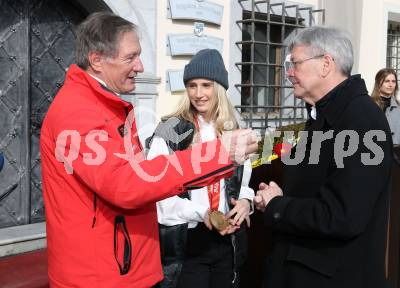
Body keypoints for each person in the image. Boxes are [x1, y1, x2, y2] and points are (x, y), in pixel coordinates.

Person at [40, 13, 257, 288]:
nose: (141, 66)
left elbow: (243, 176)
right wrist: (215, 157)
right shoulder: (79, 111)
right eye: (130, 57)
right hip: (108, 273)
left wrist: (246, 198)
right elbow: (128, 184)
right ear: (96, 60)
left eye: (207, 86)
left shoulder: (106, 105)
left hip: (131, 264)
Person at [253, 26, 393, 288]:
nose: (289, 74)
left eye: (294, 63)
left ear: (326, 64)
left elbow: (342, 214)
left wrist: (278, 206)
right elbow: (319, 185)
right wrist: (280, 194)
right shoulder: (324, 114)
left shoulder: (361, 122)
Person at [146, 49, 254, 288]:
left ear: (219, 88)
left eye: (206, 85)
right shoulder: (171, 130)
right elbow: (159, 197)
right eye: (192, 85)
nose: (198, 93)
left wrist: (246, 202)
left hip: (228, 240)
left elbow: (245, 183)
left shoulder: (234, 128)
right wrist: (202, 213)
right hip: (187, 243)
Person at [371, 68, 400, 162]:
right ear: (379, 83)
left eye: (393, 81)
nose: (390, 84)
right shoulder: (368, 105)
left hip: (393, 160)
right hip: (370, 158)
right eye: (387, 81)